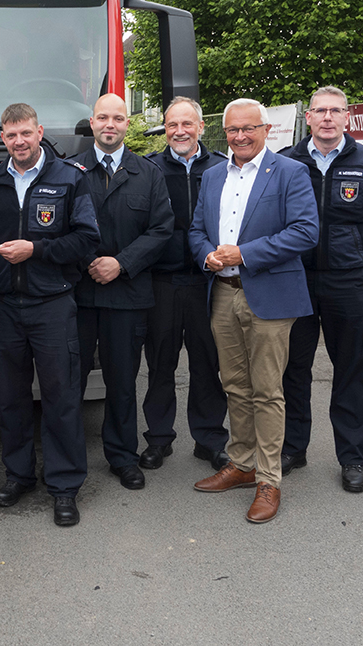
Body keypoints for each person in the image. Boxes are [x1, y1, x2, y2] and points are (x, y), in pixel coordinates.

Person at [0, 103, 100, 527]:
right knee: (12, 400)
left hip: (53, 305)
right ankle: (18, 476)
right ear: (4, 139)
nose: (18, 142)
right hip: (5, 308)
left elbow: (87, 239)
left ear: (39, 132)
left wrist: (35, 249)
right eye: (10, 135)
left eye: (25, 133)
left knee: (61, 399)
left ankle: (65, 486)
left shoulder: (69, 178)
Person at [188, 98, 318, 524]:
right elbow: (196, 230)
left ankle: (269, 479)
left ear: (266, 130)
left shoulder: (290, 173)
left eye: (248, 128)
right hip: (222, 294)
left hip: (269, 296)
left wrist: (243, 254)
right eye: (231, 130)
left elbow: (305, 232)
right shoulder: (211, 177)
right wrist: (207, 255)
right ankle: (241, 463)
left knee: (267, 390)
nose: (240, 136)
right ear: (222, 133)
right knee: (235, 385)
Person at [279, 86, 363, 492]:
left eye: (336, 111)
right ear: (308, 117)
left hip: (348, 283)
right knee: (292, 368)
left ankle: (352, 458)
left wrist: (358, 255)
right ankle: (293, 448)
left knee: (352, 370)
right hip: (295, 280)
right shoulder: (285, 163)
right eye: (320, 111)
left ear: (348, 117)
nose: (327, 118)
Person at [71, 94, 173, 491]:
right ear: (91, 123)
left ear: (126, 124)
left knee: (122, 381)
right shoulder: (70, 170)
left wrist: (121, 263)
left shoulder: (147, 174)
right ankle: (67, 458)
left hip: (128, 294)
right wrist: (90, 262)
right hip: (79, 294)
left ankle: (122, 456)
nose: (109, 124)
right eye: (102, 118)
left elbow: (161, 229)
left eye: (117, 118)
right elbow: (58, 228)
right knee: (69, 382)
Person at [142, 97, 231, 472]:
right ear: (165, 128)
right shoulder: (148, 169)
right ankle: (159, 439)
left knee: (207, 364)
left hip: (207, 283)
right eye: (172, 124)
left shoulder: (224, 168)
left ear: (200, 127)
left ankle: (209, 439)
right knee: (160, 363)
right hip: (161, 281)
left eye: (187, 124)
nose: (179, 131)